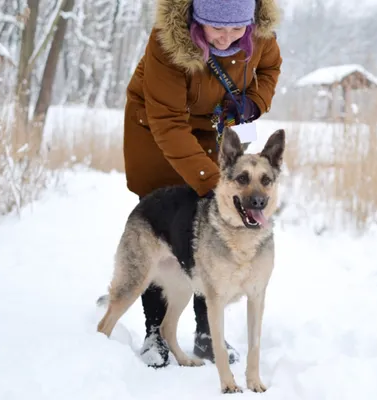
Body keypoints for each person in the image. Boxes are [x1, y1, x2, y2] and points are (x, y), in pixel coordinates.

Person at [122, 0, 282, 368]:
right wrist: (217, 185)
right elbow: (168, 122)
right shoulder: (168, 42)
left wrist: (253, 103)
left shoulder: (258, 32)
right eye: (216, 29)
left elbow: (271, 67)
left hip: (215, 131)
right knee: (167, 224)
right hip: (160, 131)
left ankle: (207, 332)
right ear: (196, 21)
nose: (227, 38)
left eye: (235, 29)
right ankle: (155, 333)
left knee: (214, 230)